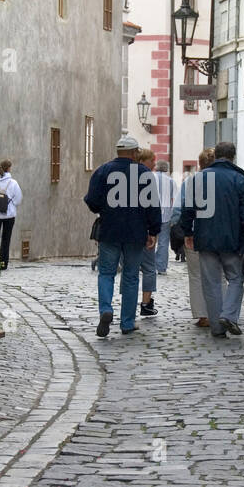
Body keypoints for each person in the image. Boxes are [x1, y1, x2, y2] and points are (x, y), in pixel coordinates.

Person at [84, 135, 159, 338]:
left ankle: (106, 309)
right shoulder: (144, 173)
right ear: (135, 153)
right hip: (136, 231)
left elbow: (91, 200)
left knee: (106, 272)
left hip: (110, 230)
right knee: (131, 276)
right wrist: (153, 231)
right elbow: (153, 205)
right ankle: (127, 322)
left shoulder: (103, 171)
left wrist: (104, 209)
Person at [180, 141, 244, 339]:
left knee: (211, 282)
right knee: (236, 278)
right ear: (233, 156)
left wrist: (187, 232)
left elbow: (188, 209)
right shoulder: (239, 180)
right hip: (232, 239)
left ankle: (217, 327)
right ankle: (229, 315)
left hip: (205, 238)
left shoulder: (197, 179)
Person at [174, 148, 214, 326]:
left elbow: (182, 207)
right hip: (219, 234)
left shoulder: (191, 181)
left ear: (200, 164)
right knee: (218, 275)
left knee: (196, 275)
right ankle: (220, 312)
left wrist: (184, 231)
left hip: (196, 232)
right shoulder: (225, 180)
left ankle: (202, 315)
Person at [136, 148, 159, 318]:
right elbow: (152, 206)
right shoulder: (147, 177)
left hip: (125, 230)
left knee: (130, 269)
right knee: (150, 268)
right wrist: (153, 231)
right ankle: (146, 303)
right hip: (142, 229)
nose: (154, 164)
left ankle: (128, 304)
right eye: (152, 160)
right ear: (144, 161)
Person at [154, 159, 179, 276]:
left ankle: (147, 265)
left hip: (152, 212)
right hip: (167, 214)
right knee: (163, 242)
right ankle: (161, 267)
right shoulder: (171, 181)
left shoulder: (151, 178)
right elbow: (176, 200)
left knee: (150, 239)